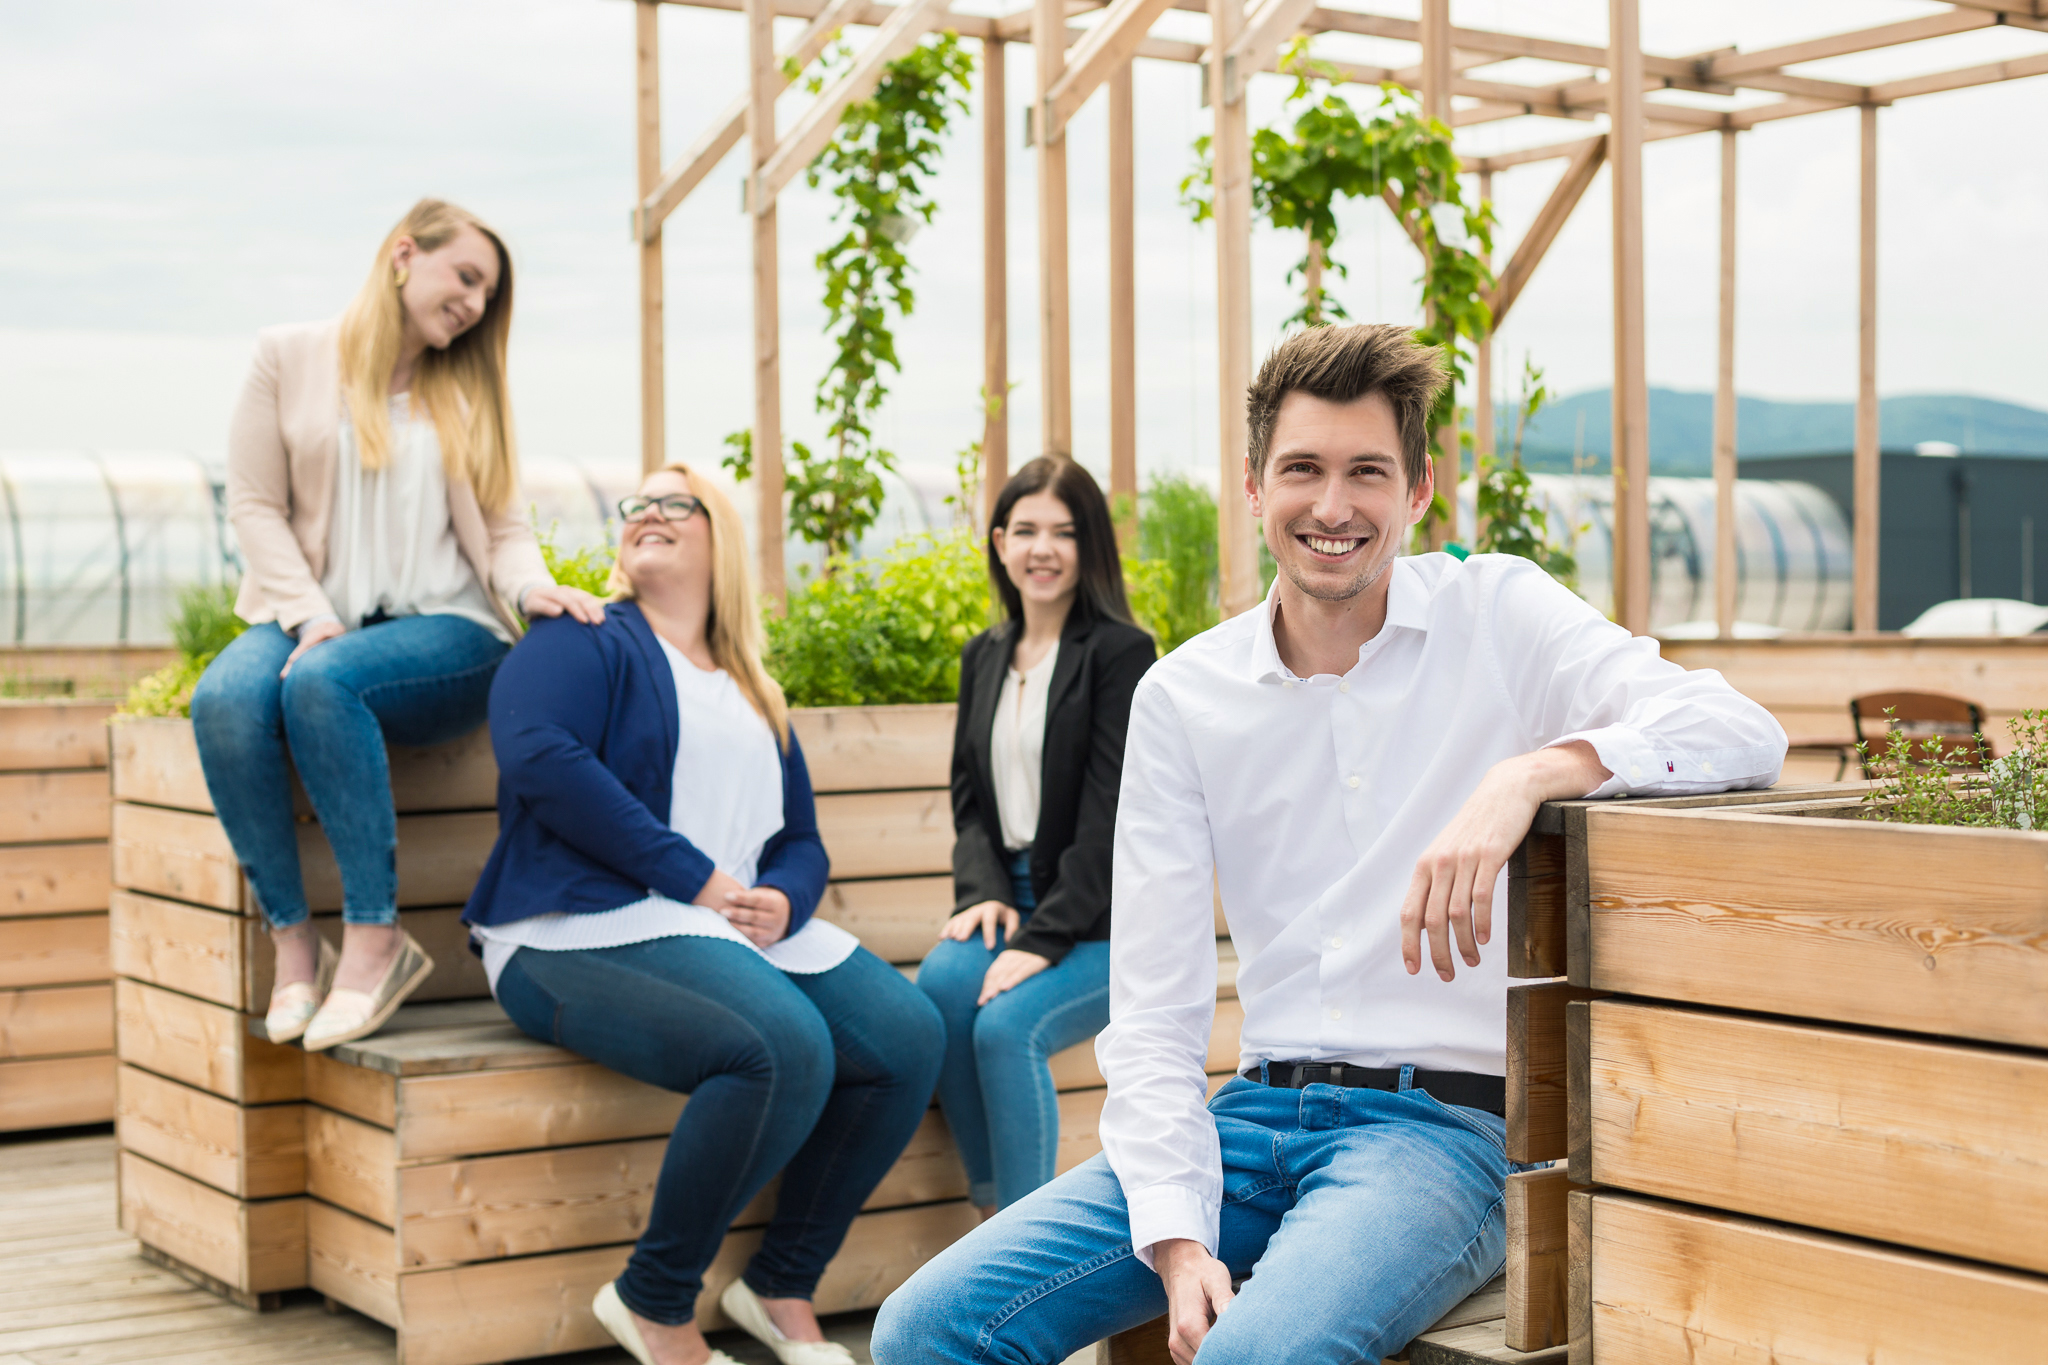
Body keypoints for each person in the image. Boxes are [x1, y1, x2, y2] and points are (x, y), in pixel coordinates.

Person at [873, 323, 1788, 1365]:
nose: (1333, 505)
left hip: (1443, 1137)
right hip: (1247, 1117)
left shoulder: (1501, 613)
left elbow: (1739, 730)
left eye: (1367, 472)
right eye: (1301, 469)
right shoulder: (1184, 695)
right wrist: (1176, 1237)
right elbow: (1155, 1011)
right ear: (1254, 486)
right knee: (926, 1328)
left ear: (1419, 489)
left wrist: (1531, 771)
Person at [464, 463, 945, 1365]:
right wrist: (695, 877)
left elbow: (801, 838)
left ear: (720, 535)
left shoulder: (754, 684)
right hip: (572, 929)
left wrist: (782, 898)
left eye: (673, 502)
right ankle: (655, 1298)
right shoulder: (588, 634)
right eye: (635, 504)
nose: (647, 512)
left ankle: (780, 1281)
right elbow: (538, 752)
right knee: (781, 1045)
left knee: (909, 1036)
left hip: (719, 926)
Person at [191, 198, 603, 1053]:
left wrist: (533, 591)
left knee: (321, 681)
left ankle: (377, 940)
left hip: (443, 627)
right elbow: (258, 507)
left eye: (489, 295)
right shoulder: (286, 356)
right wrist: (311, 615)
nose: (476, 304)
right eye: (467, 277)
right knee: (226, 698)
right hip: (311, 608)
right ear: (404, 254)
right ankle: (295, 942)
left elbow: (504, 530)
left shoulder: (471, 389)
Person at [917, 458, 1155, 1216]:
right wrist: (984, 892)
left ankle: (1017, 1238)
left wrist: (1041, 939)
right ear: (998, 541)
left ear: (1090, 546)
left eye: (1063, 531)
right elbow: (969, 797)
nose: (1041, 548)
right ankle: (990, 1217)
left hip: (1102, 920)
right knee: (943, 990)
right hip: (1013, 900)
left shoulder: (1121, 652)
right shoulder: (984, 655)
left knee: (1006, 1024)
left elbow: (1107, 816)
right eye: (1025, 530)